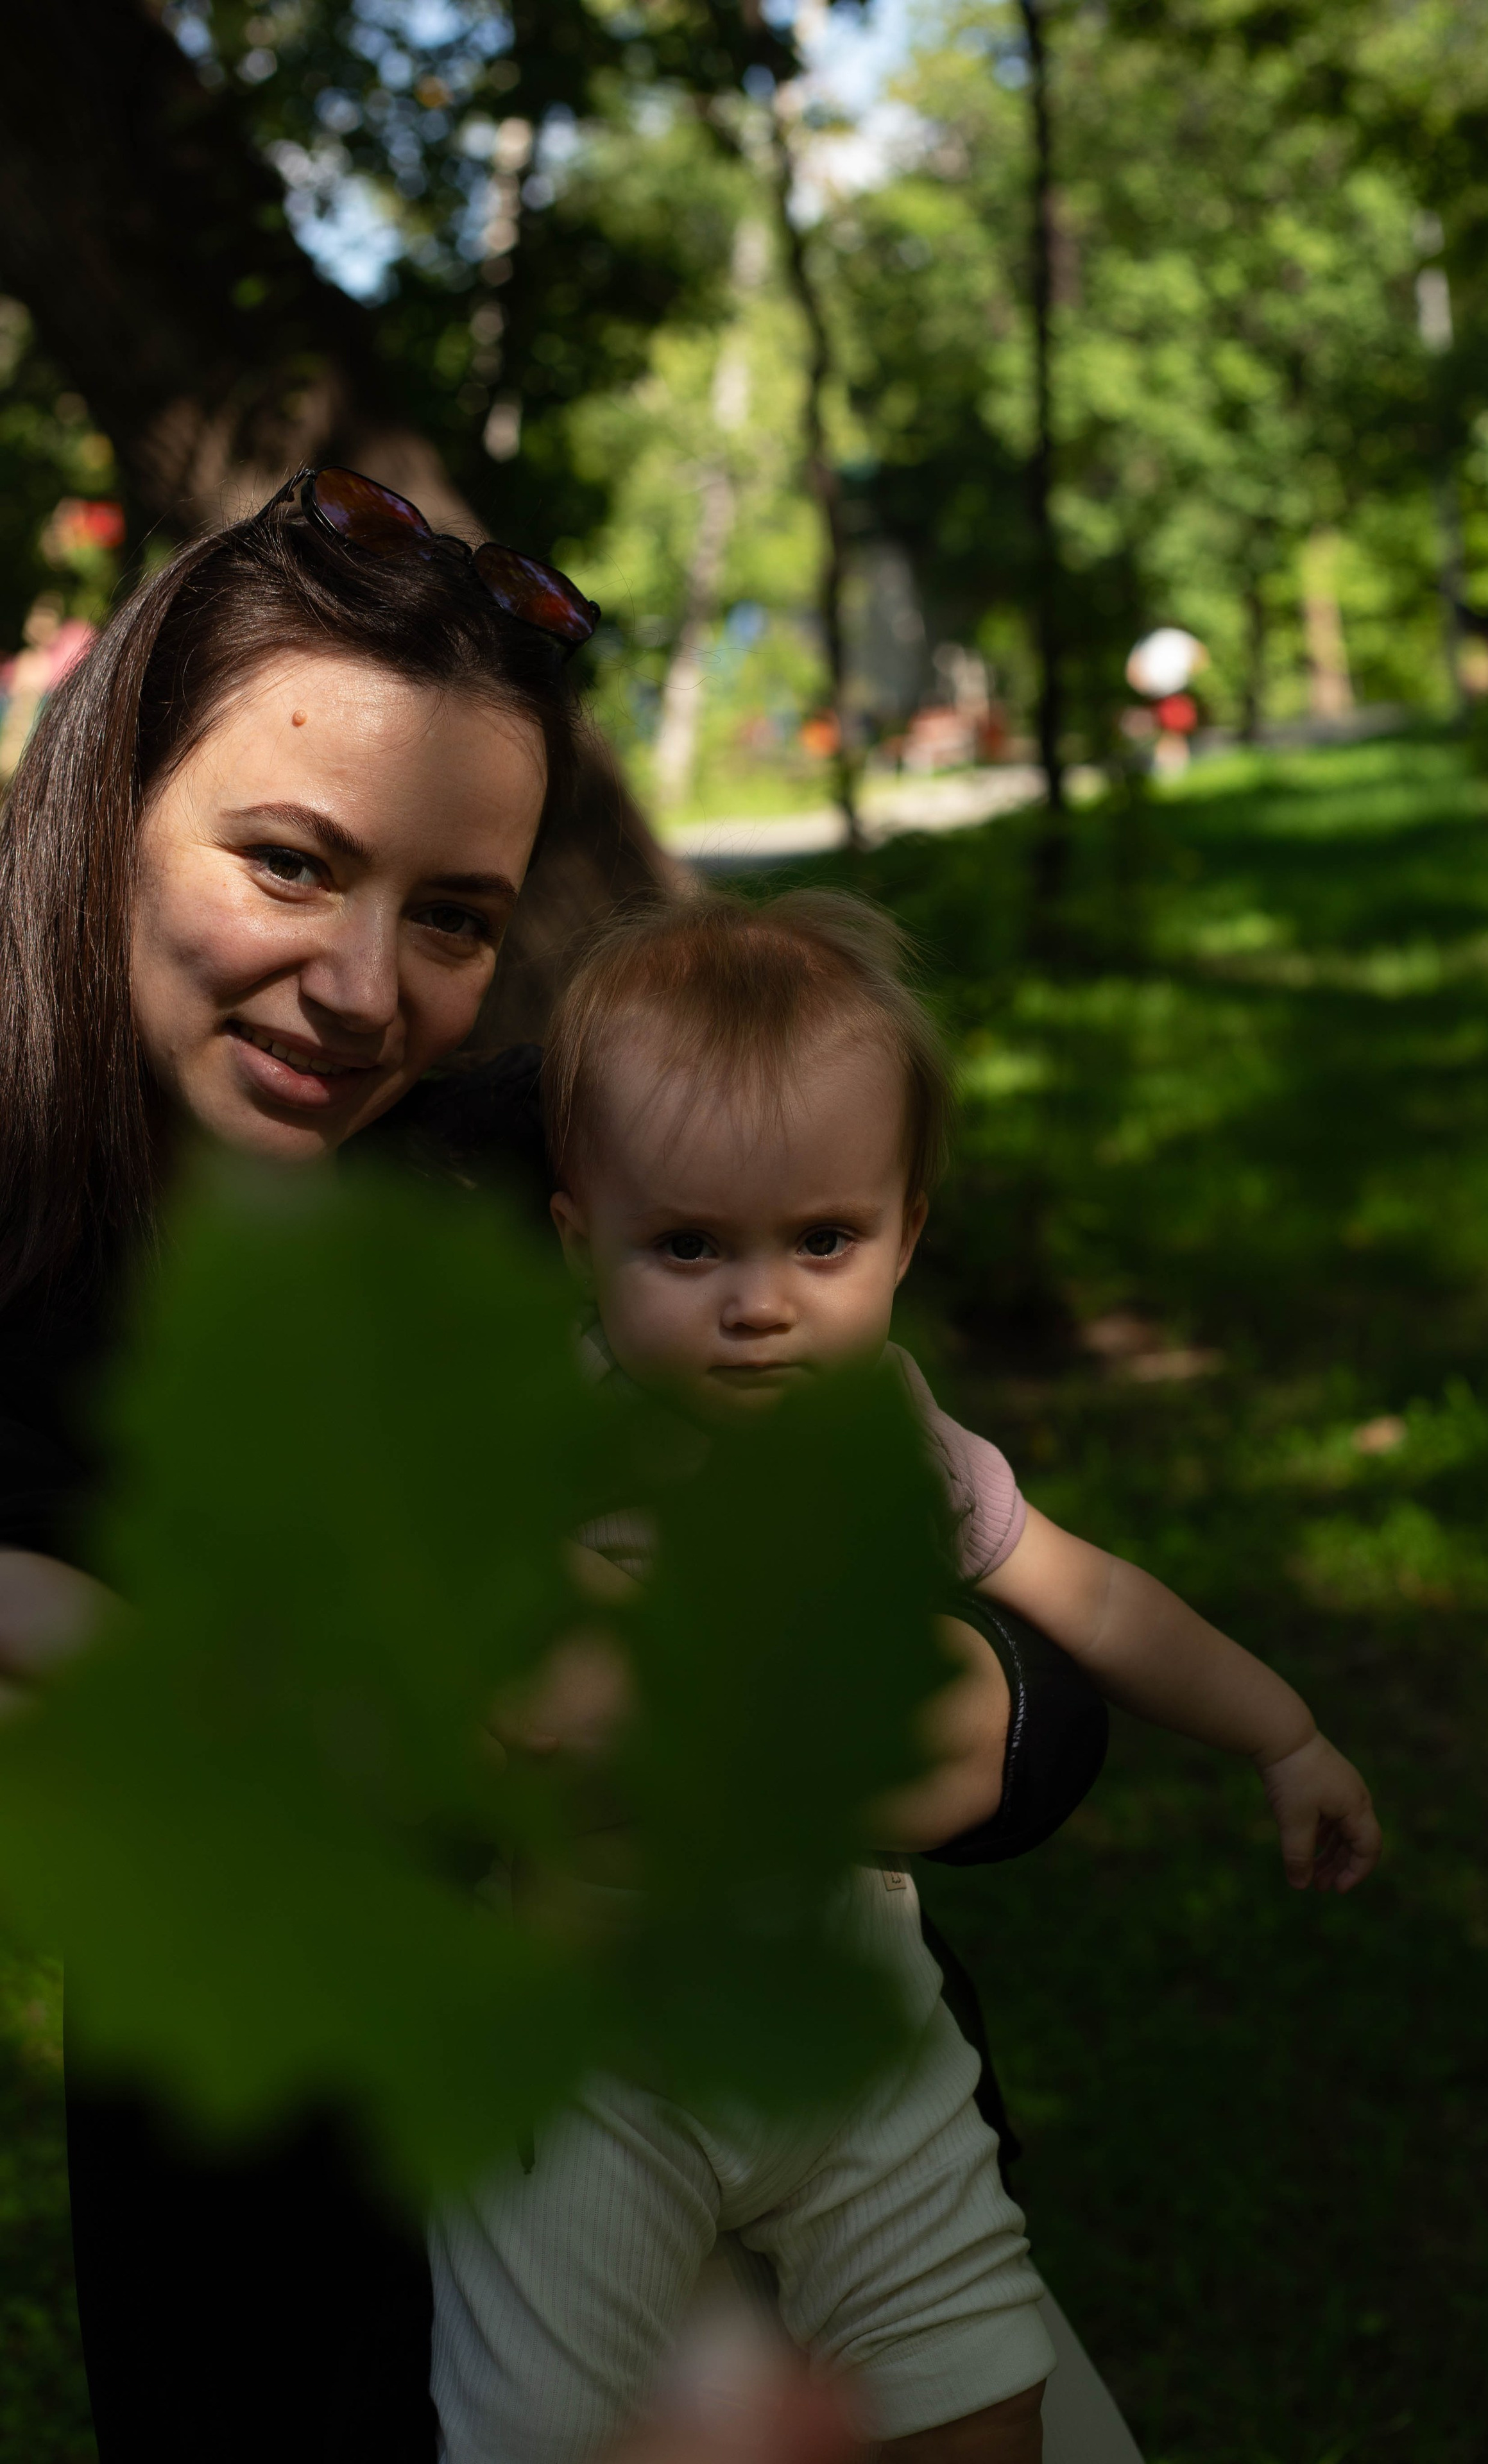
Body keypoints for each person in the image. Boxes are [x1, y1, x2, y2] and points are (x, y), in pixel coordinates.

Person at [0, 469, 1108, 2463]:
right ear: (102, 820)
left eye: (453, 920)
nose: (363, 990)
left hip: (801, 2220)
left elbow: (1036, 1693)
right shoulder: (23, 1303)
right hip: (321, 2279)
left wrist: (939, 1723)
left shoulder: (567, 1175)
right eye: (284, 864)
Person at [429, 893, 1382, 2464]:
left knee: (978, 2391)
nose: (759, 1305)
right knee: (547, 2429)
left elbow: (1092, 1599)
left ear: (906, 1228)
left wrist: (1281, 1733)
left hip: (853, 2022)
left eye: (822, 1240)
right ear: (573, 1234)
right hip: (587, 2049)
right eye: (685, 1246)